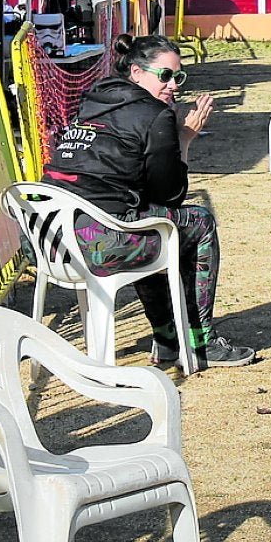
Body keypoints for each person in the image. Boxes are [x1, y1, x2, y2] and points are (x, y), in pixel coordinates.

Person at [43, 33, 255, 368]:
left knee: (146, 222)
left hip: (47, 242)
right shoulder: (155, 115)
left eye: (178, 77)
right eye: (166, 75)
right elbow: (170, 195)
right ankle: (199, 341)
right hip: (95, 245)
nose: (174, 85)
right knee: (196, 223)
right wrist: (185, 138)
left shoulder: (91, 101)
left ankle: (168, 338)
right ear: (137, 73)